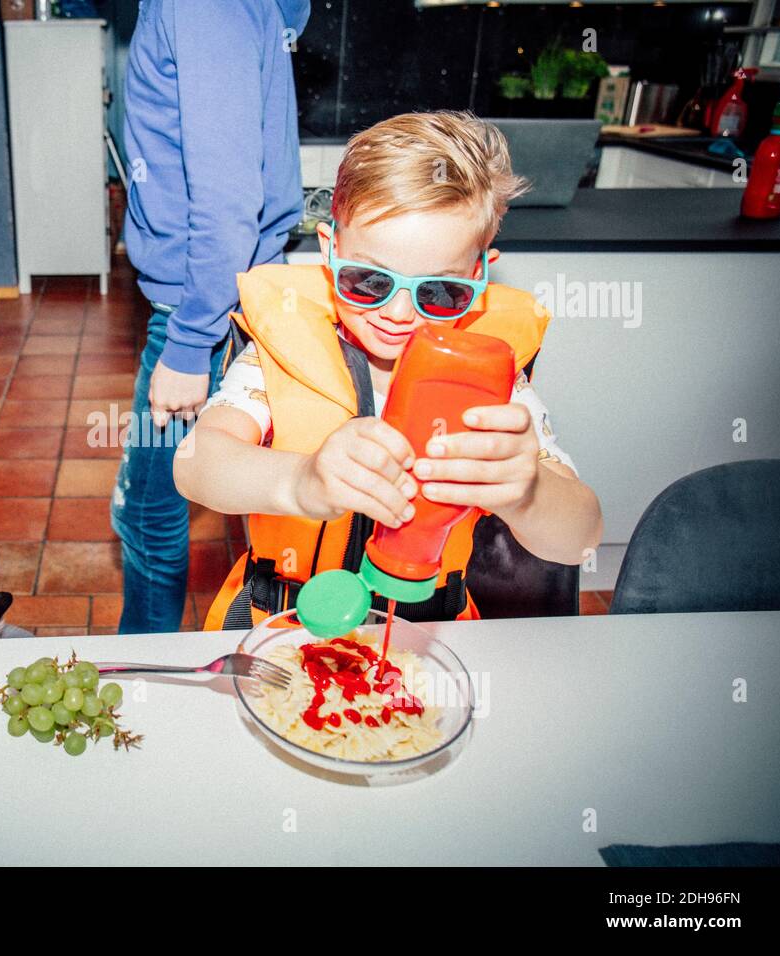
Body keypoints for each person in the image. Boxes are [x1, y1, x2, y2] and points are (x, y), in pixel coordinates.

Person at [174, 111, 603, 629]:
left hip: (429, 638)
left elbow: (581, 537)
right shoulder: (276, 358)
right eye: (368, 281)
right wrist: (302, 480)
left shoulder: (494, 387)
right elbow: (196, 464)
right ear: (331, 252)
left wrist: (530, 490)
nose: (399, 314)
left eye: (440, 291)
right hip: (284, 628)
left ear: (478, 274)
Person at [112, 0, 311, 633]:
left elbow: (227, 205)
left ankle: (144, 693)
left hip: (201, 307)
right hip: (219, 296)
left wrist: (190, 343)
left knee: (147, 515)